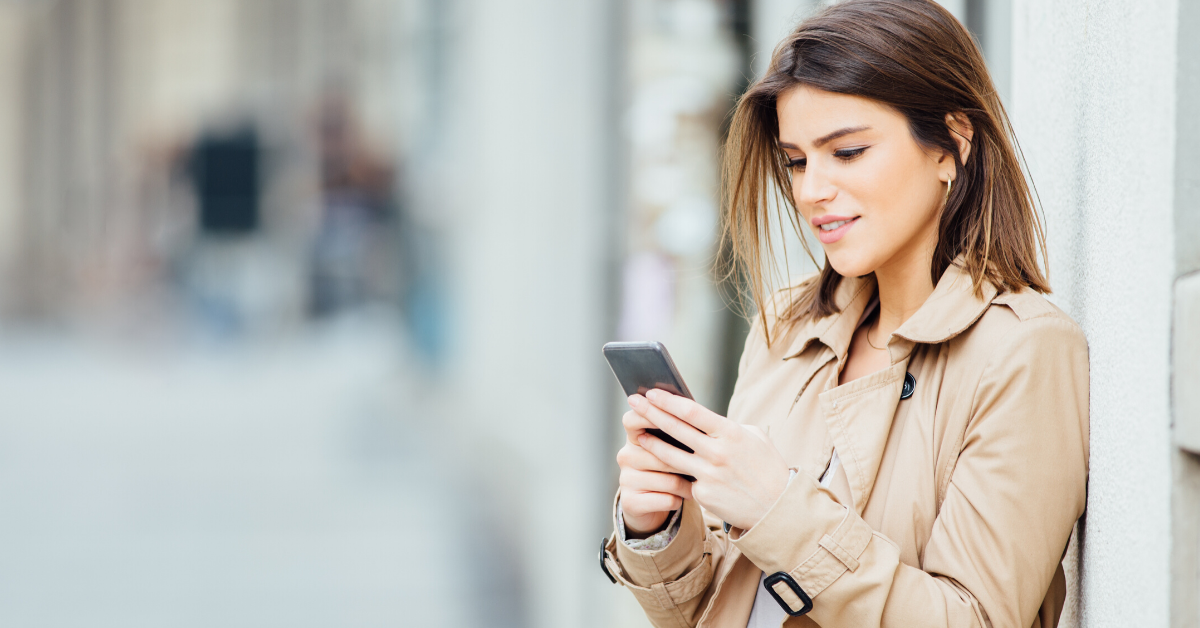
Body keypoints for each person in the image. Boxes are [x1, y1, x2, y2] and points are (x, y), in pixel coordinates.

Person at [600, 1, 1089, 626]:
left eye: (849, 152)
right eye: (798, 161)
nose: (811, 191)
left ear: (951, 143)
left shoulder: (1022, 352)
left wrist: (780, 508)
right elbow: (730, 605)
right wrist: (661, 528)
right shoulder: (790, 326)